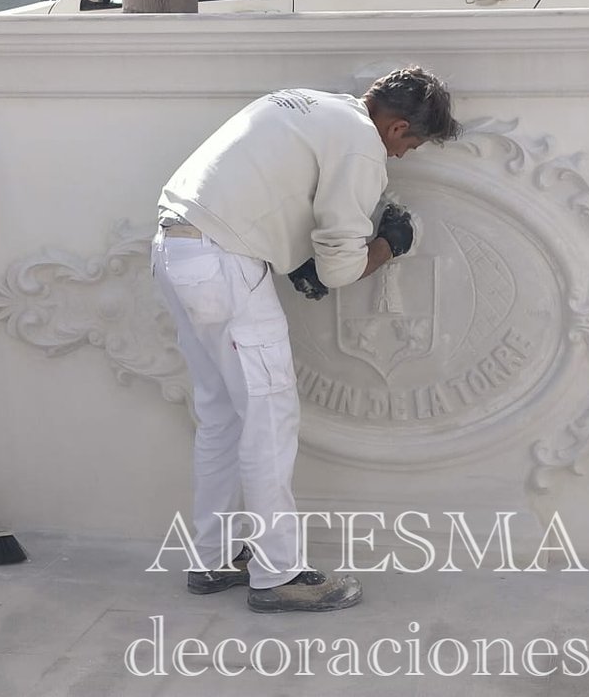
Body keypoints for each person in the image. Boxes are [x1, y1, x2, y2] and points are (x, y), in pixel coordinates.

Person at [150, 67, 458, 613]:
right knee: (270, 418)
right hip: (224, 263)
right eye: (412, 144)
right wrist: (387, 245)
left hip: (176, 247)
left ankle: (214, 557)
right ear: (397, 126)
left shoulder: (308, 103)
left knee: (221, 416)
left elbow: (272, 192)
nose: (405, 156)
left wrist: (296, 254)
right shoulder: (363, 145)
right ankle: (278, 574)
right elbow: (339, 270)